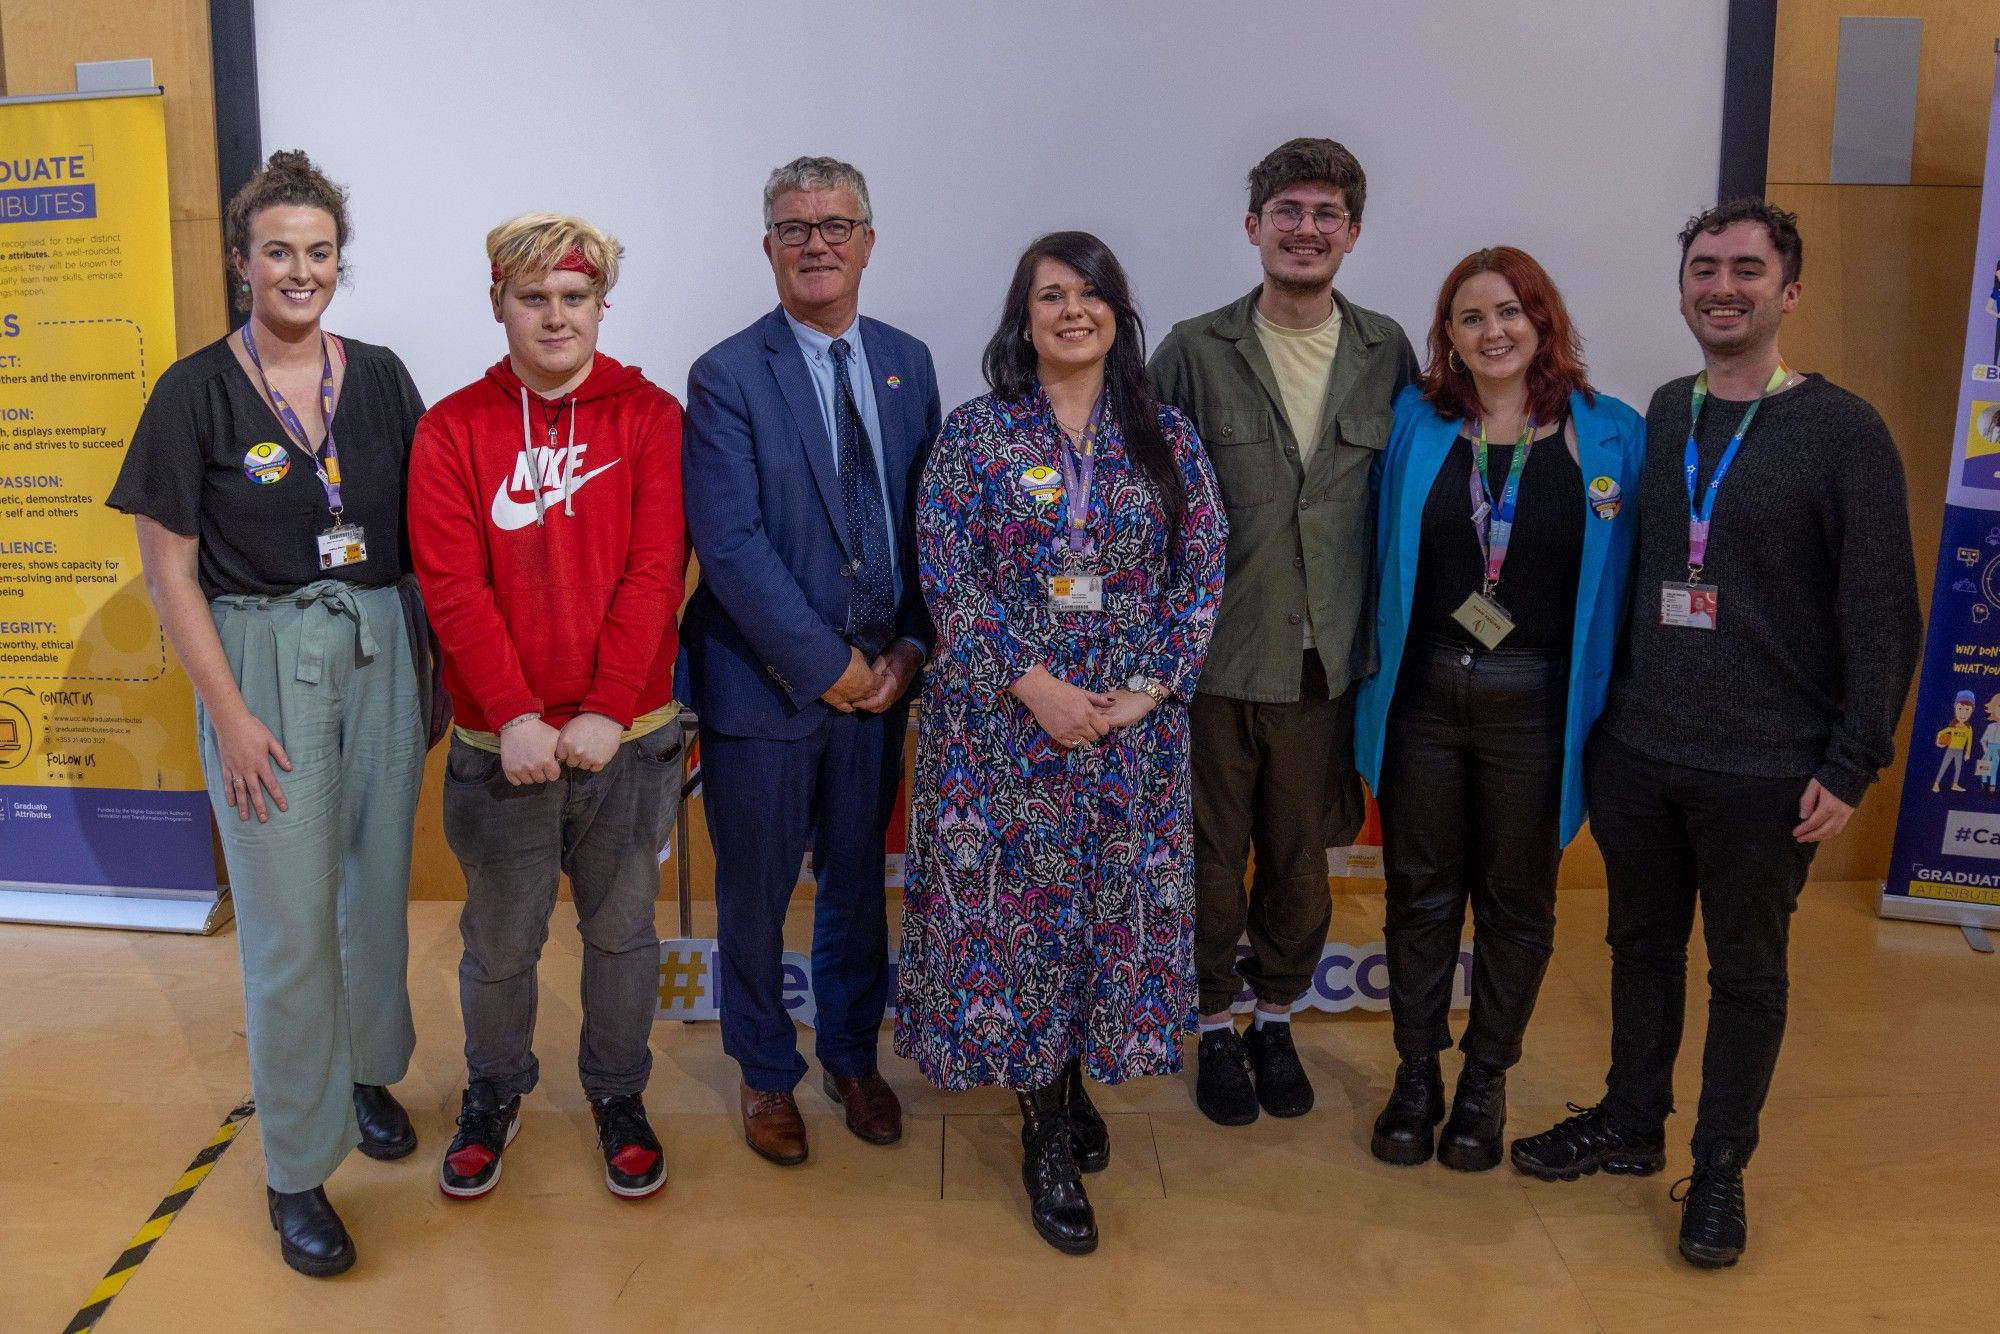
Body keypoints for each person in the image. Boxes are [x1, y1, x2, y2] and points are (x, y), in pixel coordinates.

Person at [1511, 200, 1922, 1269]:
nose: (1721, 286)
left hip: (1768, 770)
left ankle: (1720, 1166)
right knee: (1637, 947)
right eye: (1703, 268)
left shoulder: (1844, 431)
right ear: (1682, 287)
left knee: (1745, 972)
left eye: (1746, 269)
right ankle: (1629, 1119)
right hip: (1641, 753)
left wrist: (1851, 759)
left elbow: (1881, 613)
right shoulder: (1658, 411)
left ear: (1787, 292)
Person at [107, 150, 425, 1277]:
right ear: (242, 259)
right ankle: (296, 1166)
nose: (300, 269)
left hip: (380, 647)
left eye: (319, 251)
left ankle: (364, 1070)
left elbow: (422, 531)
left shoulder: (380, 375)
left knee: (372, 894)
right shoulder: (192, 390)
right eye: (278, 250)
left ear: (341, 261)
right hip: (261, 659)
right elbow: (170, 575)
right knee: (289, 925)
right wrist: (232, 717)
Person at [896, 231, 1226, 1254]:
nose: (1070, 310)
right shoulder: (974, 436)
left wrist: (1140, 692)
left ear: (1117, 313)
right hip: (1001, 734)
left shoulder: (1165, 435)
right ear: (1022, 316)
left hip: (1128, 738)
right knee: (1025, 920)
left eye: (1089, 293)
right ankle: (1042, 1125)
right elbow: (946, 573)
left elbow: (1203, 566)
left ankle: (1072, 1078)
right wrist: (1035, 687)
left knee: (1097, 914)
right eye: (1050, 294)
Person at [408, 213, 686, 1202]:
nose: (555, 315)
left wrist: (609, 706)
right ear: (498, 303)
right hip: (501, 746)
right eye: (533, 297)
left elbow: (657, 571)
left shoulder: (652, 418)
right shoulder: (450, 429)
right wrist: (517, 713)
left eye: (573, 297)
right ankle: (494, 1090)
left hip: (629, 742)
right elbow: (451, 584)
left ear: (600, 304)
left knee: (620, 937)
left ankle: (617, 1093)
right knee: (501, 945)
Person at [1353, 248, 1644, 1171]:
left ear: (1543, 320)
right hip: (1424, 699)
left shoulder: (1611, 436)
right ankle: (1416, 1075)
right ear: (1448, 337)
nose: (1493, 331)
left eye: (1511, 311)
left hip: (1536, 707)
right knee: (1420, 894)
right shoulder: (1415, 423)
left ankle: (1486, 1079)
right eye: (1471, 317)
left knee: (1517, 903)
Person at [1149, 137, 1418, 1124]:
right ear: (1253, 225)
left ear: (1351, 232)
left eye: (1324, 214)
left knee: (1303, 868)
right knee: (1208, 863)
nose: (1305, 230)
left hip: (1326, 663)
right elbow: (1145, 504)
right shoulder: (1190, 349)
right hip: (1214, 662)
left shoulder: (1386, 351)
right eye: (1287, 211)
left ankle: (1274, 1013)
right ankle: (1213, 1025)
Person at [681, 157, 941, 1165]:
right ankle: (763, 1070)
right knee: (752, 897)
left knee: (853, 892)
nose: (816, 242)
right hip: (766, 690)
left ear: (868, 240)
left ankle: (849, 1054)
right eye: (794, 228)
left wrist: (911, 648)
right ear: (768, 249)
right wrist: (828, 662)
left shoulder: (908, 363)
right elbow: (732, 545)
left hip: (882, 690)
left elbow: (931, 524)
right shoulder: (726, 374)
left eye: (835, 225)